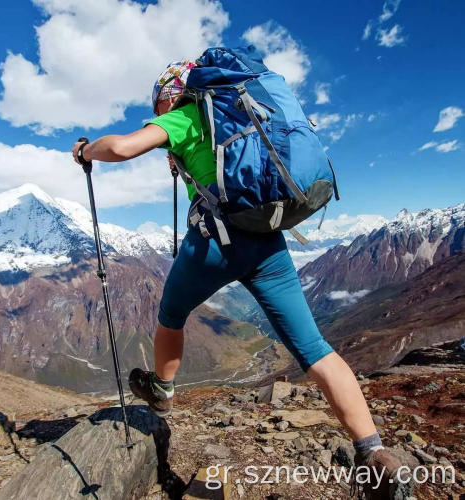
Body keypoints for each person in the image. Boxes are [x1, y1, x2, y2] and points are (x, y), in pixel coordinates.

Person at [72, 60, 412, 499]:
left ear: (171, 94)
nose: (155, 111)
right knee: (313, 348)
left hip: (215, 243)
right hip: (267, 240)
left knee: (171, 314)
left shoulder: (185, 115)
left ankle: (162, 390)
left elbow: (120, 148)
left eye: (157, 102)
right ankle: (373, 453)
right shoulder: (238, 114)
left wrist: (85, 151)